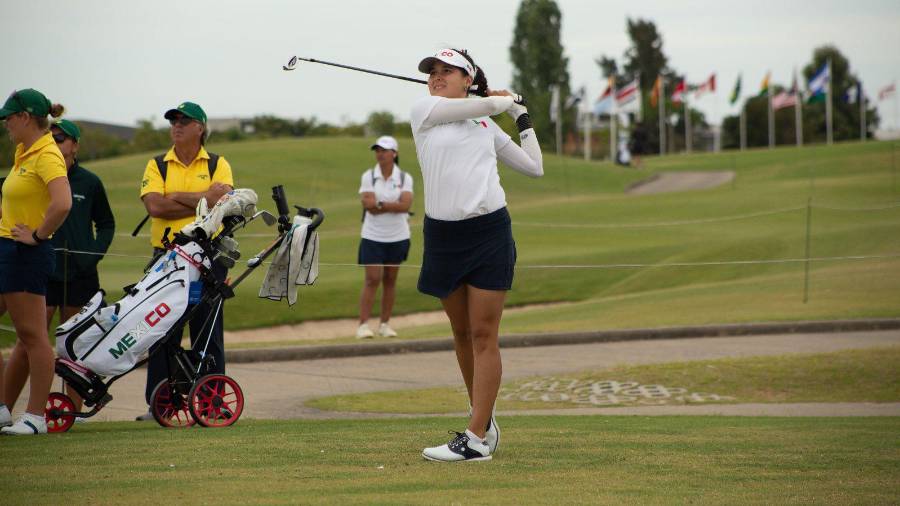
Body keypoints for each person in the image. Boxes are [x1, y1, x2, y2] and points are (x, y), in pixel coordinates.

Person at [410, 49, 543, 461]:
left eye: (446, 71)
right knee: (461, 334)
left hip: (488, 232)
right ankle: (481, 418)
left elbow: (534, 166)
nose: (436, 77)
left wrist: (521, 119)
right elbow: (485, 104)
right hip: (444, 236)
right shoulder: (425, 111)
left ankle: (475, 437)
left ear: (467, 79)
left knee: (484, 333)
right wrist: (503, 101)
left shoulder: (485, 123)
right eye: (433, 71)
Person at [136, 101, 233, 420]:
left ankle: (210, 402)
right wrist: (202, 200)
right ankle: (161, 405)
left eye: (183, 120)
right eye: (173, 121)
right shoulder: (157, 164)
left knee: (207, 330)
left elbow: (223, 203)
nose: (176, 125)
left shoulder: (219, 163)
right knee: (163, 329)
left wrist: (176, 196)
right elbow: (156, 207)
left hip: (209, 255)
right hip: (166, 256)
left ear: (200, 128)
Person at [0, 89, 72, 435]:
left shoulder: (47, 154)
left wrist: (38, 235)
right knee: (29, 334)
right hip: (7, 250)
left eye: (9, 118)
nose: (6, 125)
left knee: (33, 336)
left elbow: (62, 203)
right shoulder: (23, 151)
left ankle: (35, 417)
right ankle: (2, 407)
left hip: (26, 253)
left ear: (26, 117)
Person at [46, 119, 115, 412]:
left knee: (74, 344)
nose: (55, 144)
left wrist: (93, 254)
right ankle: (19, 408)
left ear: (74, 145)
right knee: (32, 340)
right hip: (44, 269)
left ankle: (71, 411)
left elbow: (106, 224)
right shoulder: (41, 177)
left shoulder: (89, 181)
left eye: (60, 139)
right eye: (51, 139)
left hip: (81, 272)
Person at [356, 135, 413, 339]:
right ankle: (363, 325)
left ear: (394, 153)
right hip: (372, 235)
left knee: (390, 280)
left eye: (384, 150)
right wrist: (391, 206)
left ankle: (384, 324)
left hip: (398, 236)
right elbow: (368, 206)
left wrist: (380, 204)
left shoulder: (405, 178)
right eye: (377, 150)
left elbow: (406, 205)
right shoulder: (368, 176)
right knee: (372, 279)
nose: (380, 154)